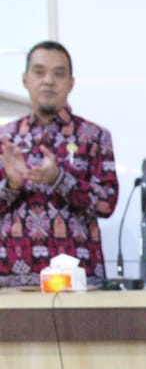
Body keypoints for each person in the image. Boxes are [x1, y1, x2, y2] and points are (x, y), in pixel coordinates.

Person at [0, 41, 118, 288]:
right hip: (12, 278)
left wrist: (59, 179)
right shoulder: (6, 139)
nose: (48, 81)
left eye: (59, 74)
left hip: (79, 278)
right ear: (25, 80)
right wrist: (11, 185)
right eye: (39, 72)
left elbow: (107, 204)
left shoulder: (94, 136)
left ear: (71, 83)